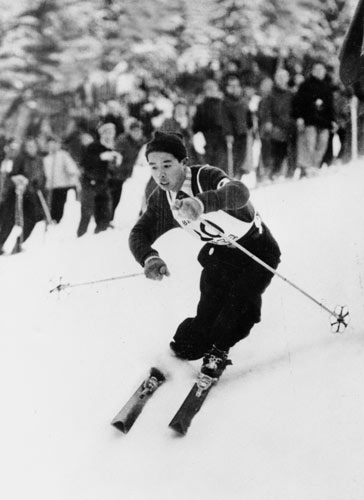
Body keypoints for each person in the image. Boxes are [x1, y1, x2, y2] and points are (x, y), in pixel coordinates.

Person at [128, 131, 281, 378]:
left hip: (257, 251)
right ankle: (181, 351)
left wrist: (201, 203)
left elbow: (239, 192)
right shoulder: (162, 200)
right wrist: (149, 257)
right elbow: (139, 232)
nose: (160, 174)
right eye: (153, 167)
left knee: (239, 306)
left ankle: (218, 351)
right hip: (221, 254)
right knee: (208, 312)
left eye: (167, 165)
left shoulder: (205, 177)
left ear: (183, 162)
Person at [0, 138, 46, 254]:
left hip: (31, 194)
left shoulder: (39, 160)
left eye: (33, 146)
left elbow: (42, 177)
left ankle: (19, 243)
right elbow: (12, 175)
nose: (31, 148)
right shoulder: (20, 159)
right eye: (28, 146)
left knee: (33, 218)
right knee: (9, 220)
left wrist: (38, 183)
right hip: (16, 193)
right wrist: (21, 180)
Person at [77, 122, 122, 237]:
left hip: (103, 183)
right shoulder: (93, 146)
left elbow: (113, 170)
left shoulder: (112, 149)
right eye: (106, 133)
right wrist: (100, 157)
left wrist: (116, 162)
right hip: (89, 182)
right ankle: (80, 237)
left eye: (111, 133)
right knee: (87, 212)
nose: (108, 135)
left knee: (105, 212)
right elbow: (84, 163)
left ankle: (99, 235)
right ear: (101, 134)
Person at [292, 62, 336, 176]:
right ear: (312, 71)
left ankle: (315, 166)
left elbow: (330, 106)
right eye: (316, 69)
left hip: (324, 122)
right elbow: (298, 103)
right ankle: (308, 168)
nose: (319, 72)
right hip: (309, 120)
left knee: (322, 144)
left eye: (321, 69)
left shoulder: (327, 86)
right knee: (309, 145)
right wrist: (299, 117)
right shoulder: (305, 85)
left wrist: (333, 121)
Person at [43, 136, 81, 223]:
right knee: (51, 204)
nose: (52, 147)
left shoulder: (63, 155)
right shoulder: (46, 158)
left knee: (60, 205)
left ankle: (58, 220)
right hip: (51, 186)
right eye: (50, 145)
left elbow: (72, 168)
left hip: (62, 185)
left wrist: (71, 172)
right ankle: (50, 220)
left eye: (54, 145)